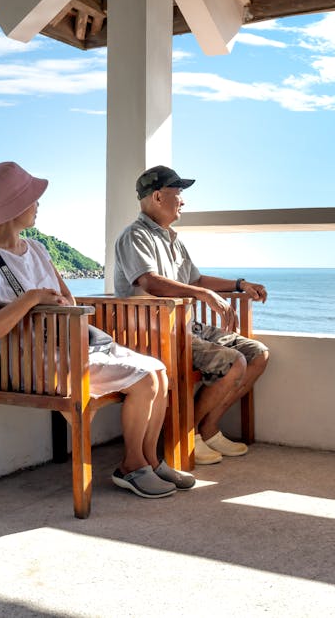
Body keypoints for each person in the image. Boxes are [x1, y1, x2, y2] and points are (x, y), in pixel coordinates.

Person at [0, 161, 194, 498]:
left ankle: (150, 461)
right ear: (15, 204)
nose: (38, 205)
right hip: (35, 363)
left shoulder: (36, 249)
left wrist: (56, 301)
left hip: (72, 347)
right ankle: (131, 466)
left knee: (158, 371)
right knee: (144, 380)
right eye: (32, 198)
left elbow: (66, 295)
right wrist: (31, 299)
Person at [114, 165, 269, 465]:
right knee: (233, 362)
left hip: (186, 326)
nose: (183, 201)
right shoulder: (135, 236)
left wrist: (239, 284)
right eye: (178, 193)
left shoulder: (173, 238)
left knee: (257, 354)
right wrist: (202, 294)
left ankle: (207, 429)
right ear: (158, 196)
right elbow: (149, 281)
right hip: (152, 333)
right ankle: (184, 435)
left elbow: (195, 281)